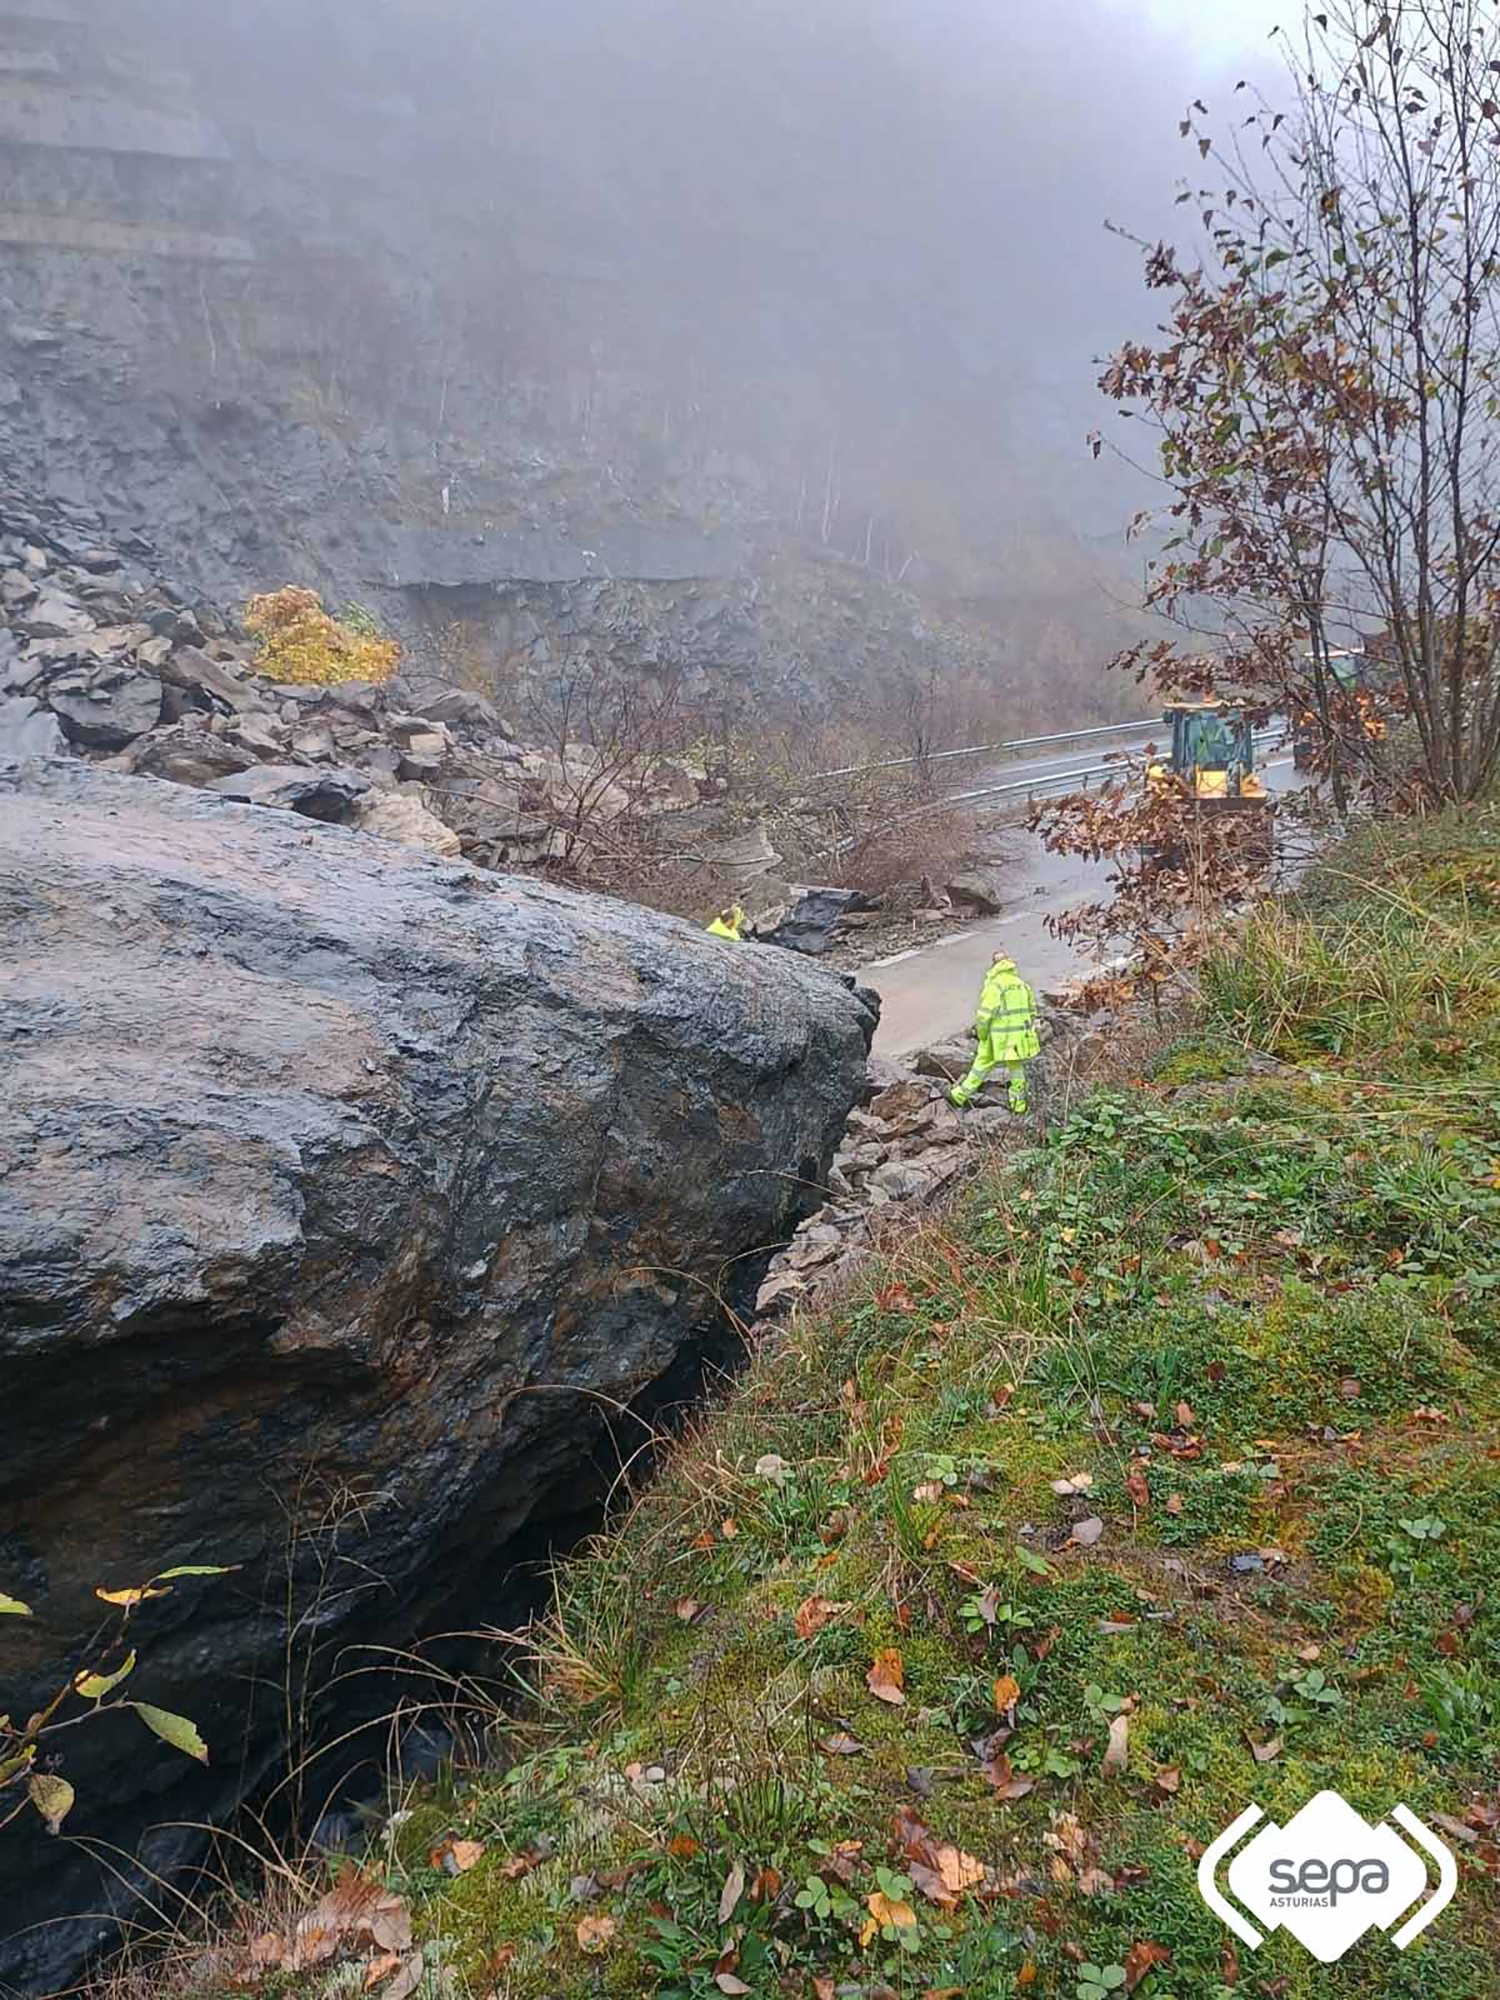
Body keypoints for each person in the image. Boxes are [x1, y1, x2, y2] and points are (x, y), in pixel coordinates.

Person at [949, 951, 1040, 1113]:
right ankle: (1019, 1105)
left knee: (981, 1065)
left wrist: (982, 1034)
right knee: (1017, 1070)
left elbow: (984, 1015)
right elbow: (1032, 1011)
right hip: (1018, 1038)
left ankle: (960, 1095)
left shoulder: (995, 985)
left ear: (994, 965)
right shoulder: (1021, 984)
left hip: (996, 1038)